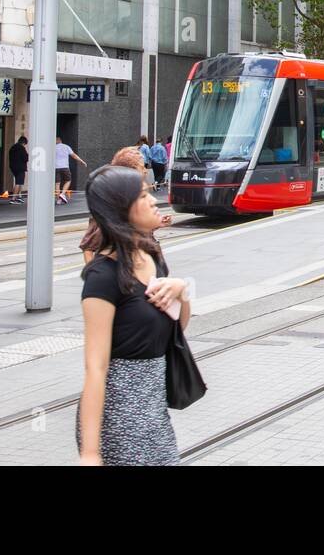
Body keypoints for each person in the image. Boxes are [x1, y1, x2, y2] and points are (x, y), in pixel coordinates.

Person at [77, 164, 190, 466]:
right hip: (119, 416)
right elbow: (96, 368)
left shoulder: (152, 256)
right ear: (121, 209)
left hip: (155, 410)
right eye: (142, 196)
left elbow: (177, 328)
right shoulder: (102, 277)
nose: (154, 200)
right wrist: (90, 453)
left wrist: (181, 290)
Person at [82, 147, 172, 262]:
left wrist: (156, 224)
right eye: (142, 167)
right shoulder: (110, 207)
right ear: (130, 171)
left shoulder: (133, 199)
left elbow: (132, 229)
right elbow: (88, 248)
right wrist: (93, 273)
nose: (145, 170)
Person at [55, 136, 87, 205]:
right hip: (65, 167)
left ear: (56, 141)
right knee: (68, 180)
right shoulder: (66, 147)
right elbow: (74, 155)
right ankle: (62, 194)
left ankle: (58, 200)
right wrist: (81, 161)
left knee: (57, 183)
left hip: (56, 167)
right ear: (60, 140)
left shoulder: (53, 147)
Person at [8, 136, 28, 204]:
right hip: (20, 168)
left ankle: (19, 197)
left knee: (19, 182)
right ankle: (13, 199)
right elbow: (26, 158)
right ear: (23, 143)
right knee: (18, 183)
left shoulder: (12, 147)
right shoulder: (22, 148)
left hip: (13, 167)